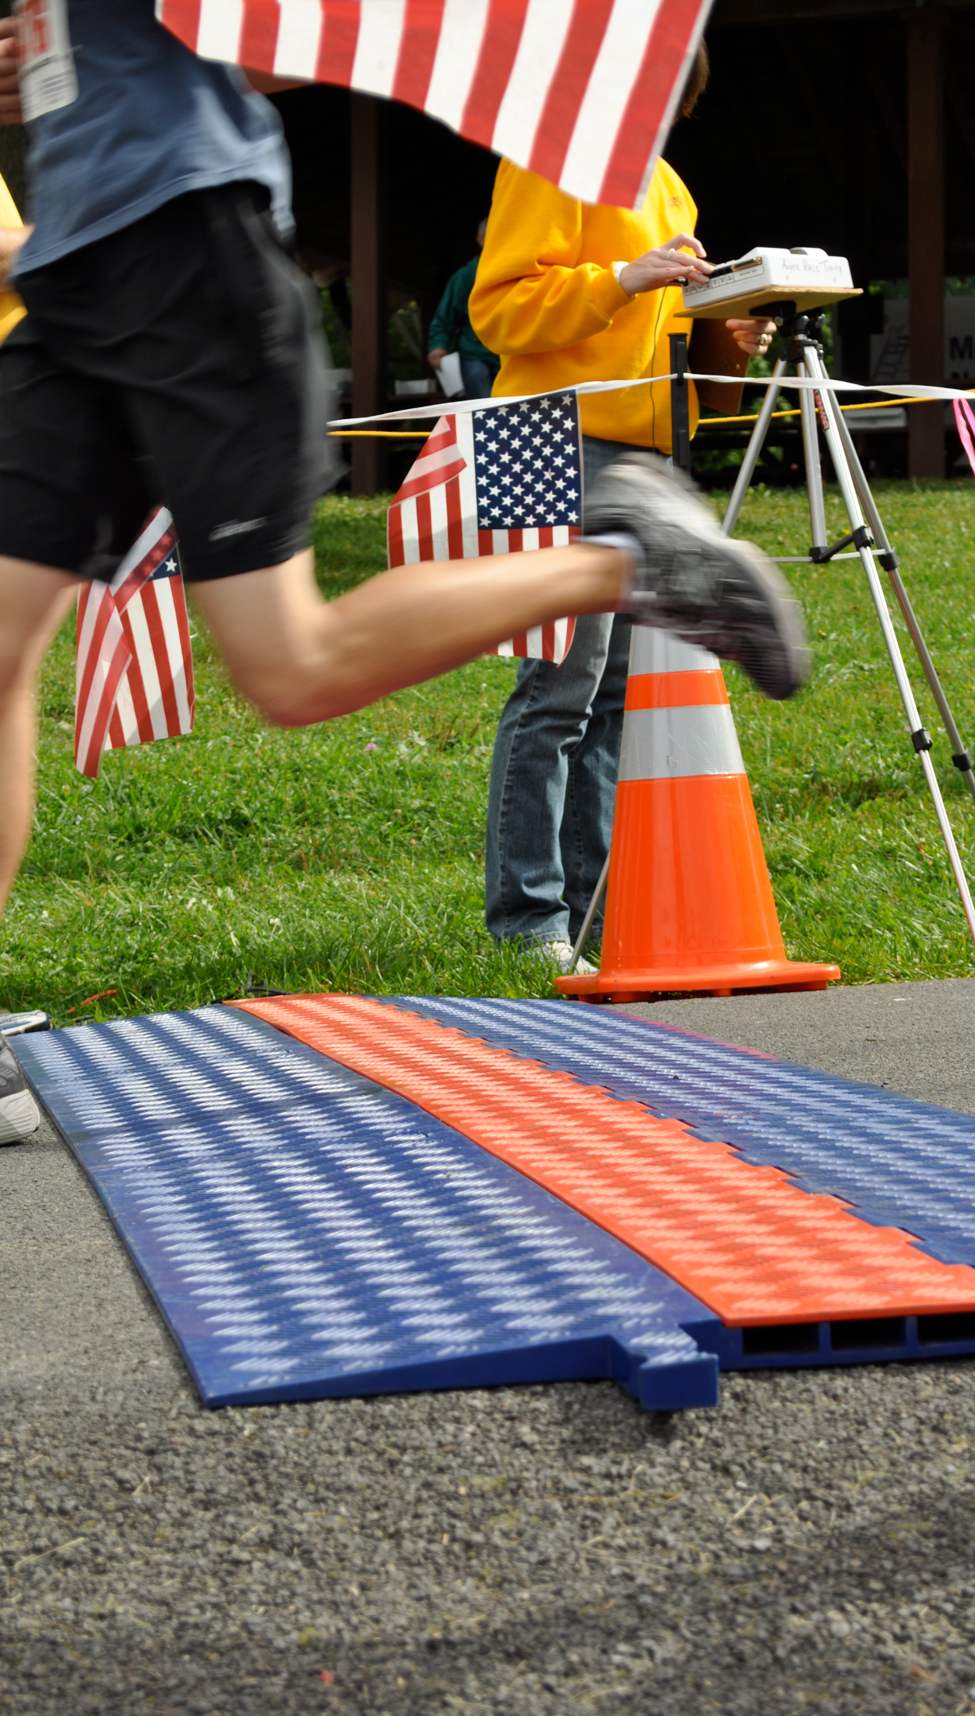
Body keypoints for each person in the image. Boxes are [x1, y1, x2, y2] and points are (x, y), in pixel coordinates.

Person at [0, 3, 807, 1143]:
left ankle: (622, 555)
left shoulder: (641, 183)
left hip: (181, 255)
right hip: (68, 274)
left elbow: (280, 36)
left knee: (291, 667)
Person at [469, 40, 780, 971]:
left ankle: (599, 916)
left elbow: (666, 340)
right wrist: (622, 280)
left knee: (614, 697)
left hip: (649, 451)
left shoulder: (670, 189)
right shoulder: (545, 157)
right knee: (559, 683)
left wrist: (727, 334)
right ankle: (529, 925)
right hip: (551, 436)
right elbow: (498, 310)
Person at [426, 220, 499, 400]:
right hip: (474, 352)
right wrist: (438, 346)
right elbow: (445, 317)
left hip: (510, 353)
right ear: (480, 239)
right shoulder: (465, 276)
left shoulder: (520, 269)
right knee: (482, 405)